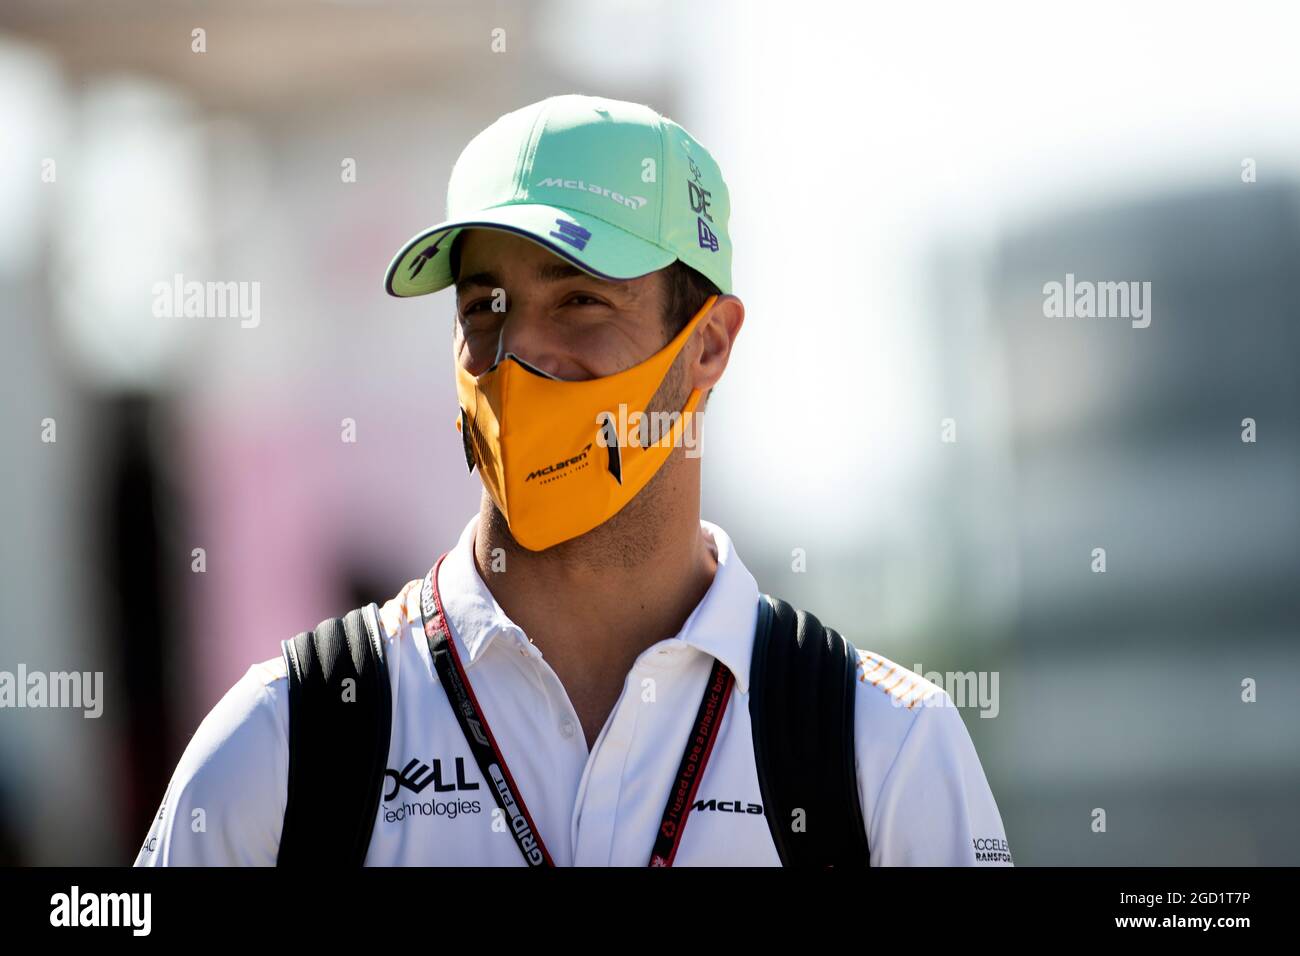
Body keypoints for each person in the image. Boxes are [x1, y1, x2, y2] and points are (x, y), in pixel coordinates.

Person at [134, 93, 1012, 867]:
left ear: (709, 344)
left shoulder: (881, 751)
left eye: (580, 300)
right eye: (485, 307)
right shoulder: (284, 742)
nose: (517, 356)